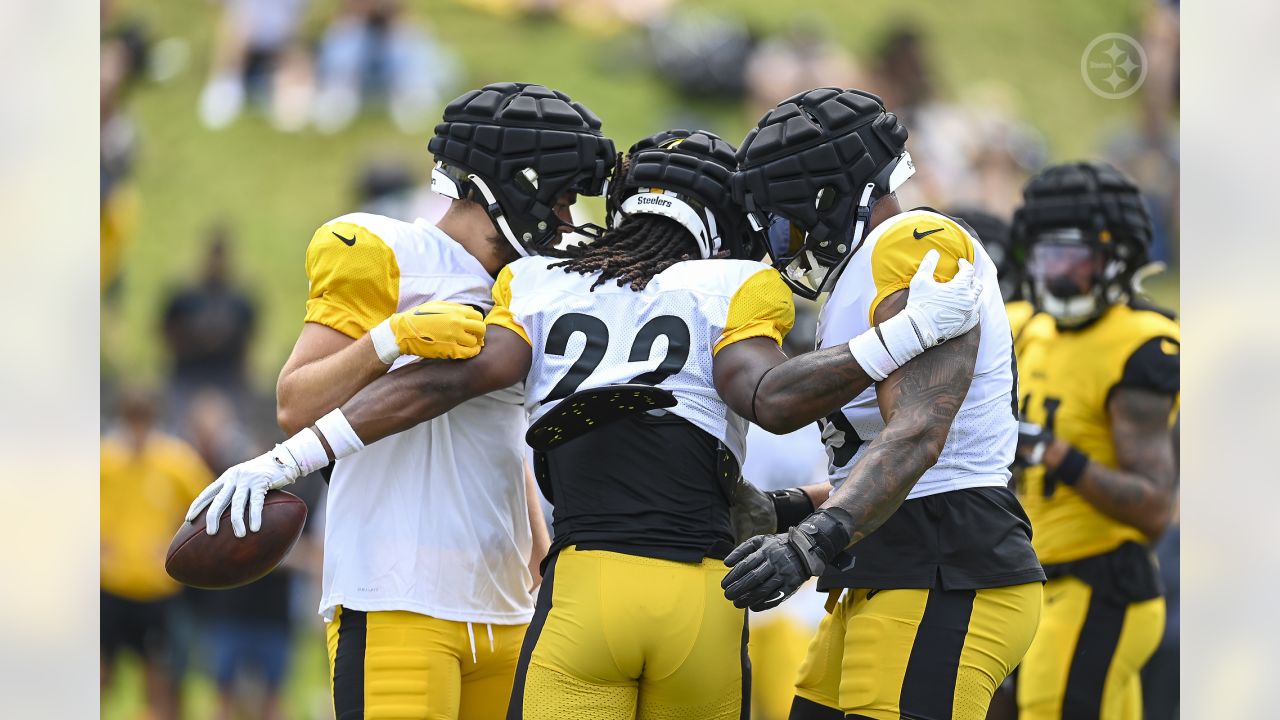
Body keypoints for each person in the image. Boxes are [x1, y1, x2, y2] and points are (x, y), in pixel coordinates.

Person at [191, 127, 983, 719]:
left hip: (580, 593)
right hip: (703, 596)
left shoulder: (539, 284)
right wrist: (905, 336)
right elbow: (771, 401)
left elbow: (435, 388)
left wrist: (284, 459)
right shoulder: (737, 285)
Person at [188, 81, 614, 720]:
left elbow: (501, 436)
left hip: (506, 604)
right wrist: (387, 341)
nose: (567, 220)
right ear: (506, 186)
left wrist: (540, 553)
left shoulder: (529, 283)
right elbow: (294, 404)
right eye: (558, 199)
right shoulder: (386, 252)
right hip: (396, 599)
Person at [718, 87, 1046, 720]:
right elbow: (875, 459)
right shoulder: (861, 275)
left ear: (832, 200)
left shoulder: (912, 241)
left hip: (946, 566)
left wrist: (811, 543)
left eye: (786, 219)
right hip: (890, 566)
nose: (782, 243)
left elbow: (922, 435)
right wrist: (789, 511)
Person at [1009, 162, 1178, 720]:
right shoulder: (1032, 329)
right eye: (1046, 258)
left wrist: (1051, 450)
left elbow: (1154, 509)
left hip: (1100, 581)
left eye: (1074, 260)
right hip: (1041, 583)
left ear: (1117, 258)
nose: (1058, 275)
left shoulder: (1141, 343)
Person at [101, 388, 213, 720]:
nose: (137, 431)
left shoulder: (175, 461)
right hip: (110, 584)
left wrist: (177, 544)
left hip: (156, 589)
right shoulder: (105, 459)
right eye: (131, 423)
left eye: (143, 422)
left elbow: (207, 502)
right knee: (99, 671)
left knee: (158, 678)